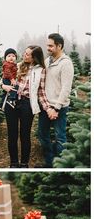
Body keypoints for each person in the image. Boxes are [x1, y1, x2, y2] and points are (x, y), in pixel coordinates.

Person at [2, 45, 51, 168]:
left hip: (27, 104)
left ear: (34, 57)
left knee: (25, 135)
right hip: (11, 103)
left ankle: (24, 163)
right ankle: (13, 163)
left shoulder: (41, 70)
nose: (24, 55)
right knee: (12, 134)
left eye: (27, 54)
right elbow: (3, 78)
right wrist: (3, 86)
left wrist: (48, 107)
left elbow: (41, 91)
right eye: (24, 53)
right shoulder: (17, 65)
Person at [38, 33, 74, 167]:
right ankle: (50, 163)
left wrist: (56, 108)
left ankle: (60, 166)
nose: (48, 48)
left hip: (59, 108)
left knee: (60, 137)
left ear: (59, 46)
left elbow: (66, 89)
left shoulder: (66, 64)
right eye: (47, 45)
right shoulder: (48, 61)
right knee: (42, 135)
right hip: (46, 107)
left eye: (51, 46)